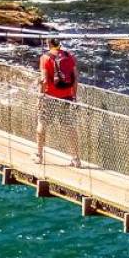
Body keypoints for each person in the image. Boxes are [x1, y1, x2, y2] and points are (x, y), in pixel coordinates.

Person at [35, 38, 81, 167]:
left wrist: (40, 97)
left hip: (49, 97)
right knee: (69, 126)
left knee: (42, 124)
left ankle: (39, 156)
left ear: (48, 44)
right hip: (66, 96)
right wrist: (74, 96)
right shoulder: (69, 56)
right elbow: (76, 77)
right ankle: (76, 158)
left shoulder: (45, 58)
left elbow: (44, 80)